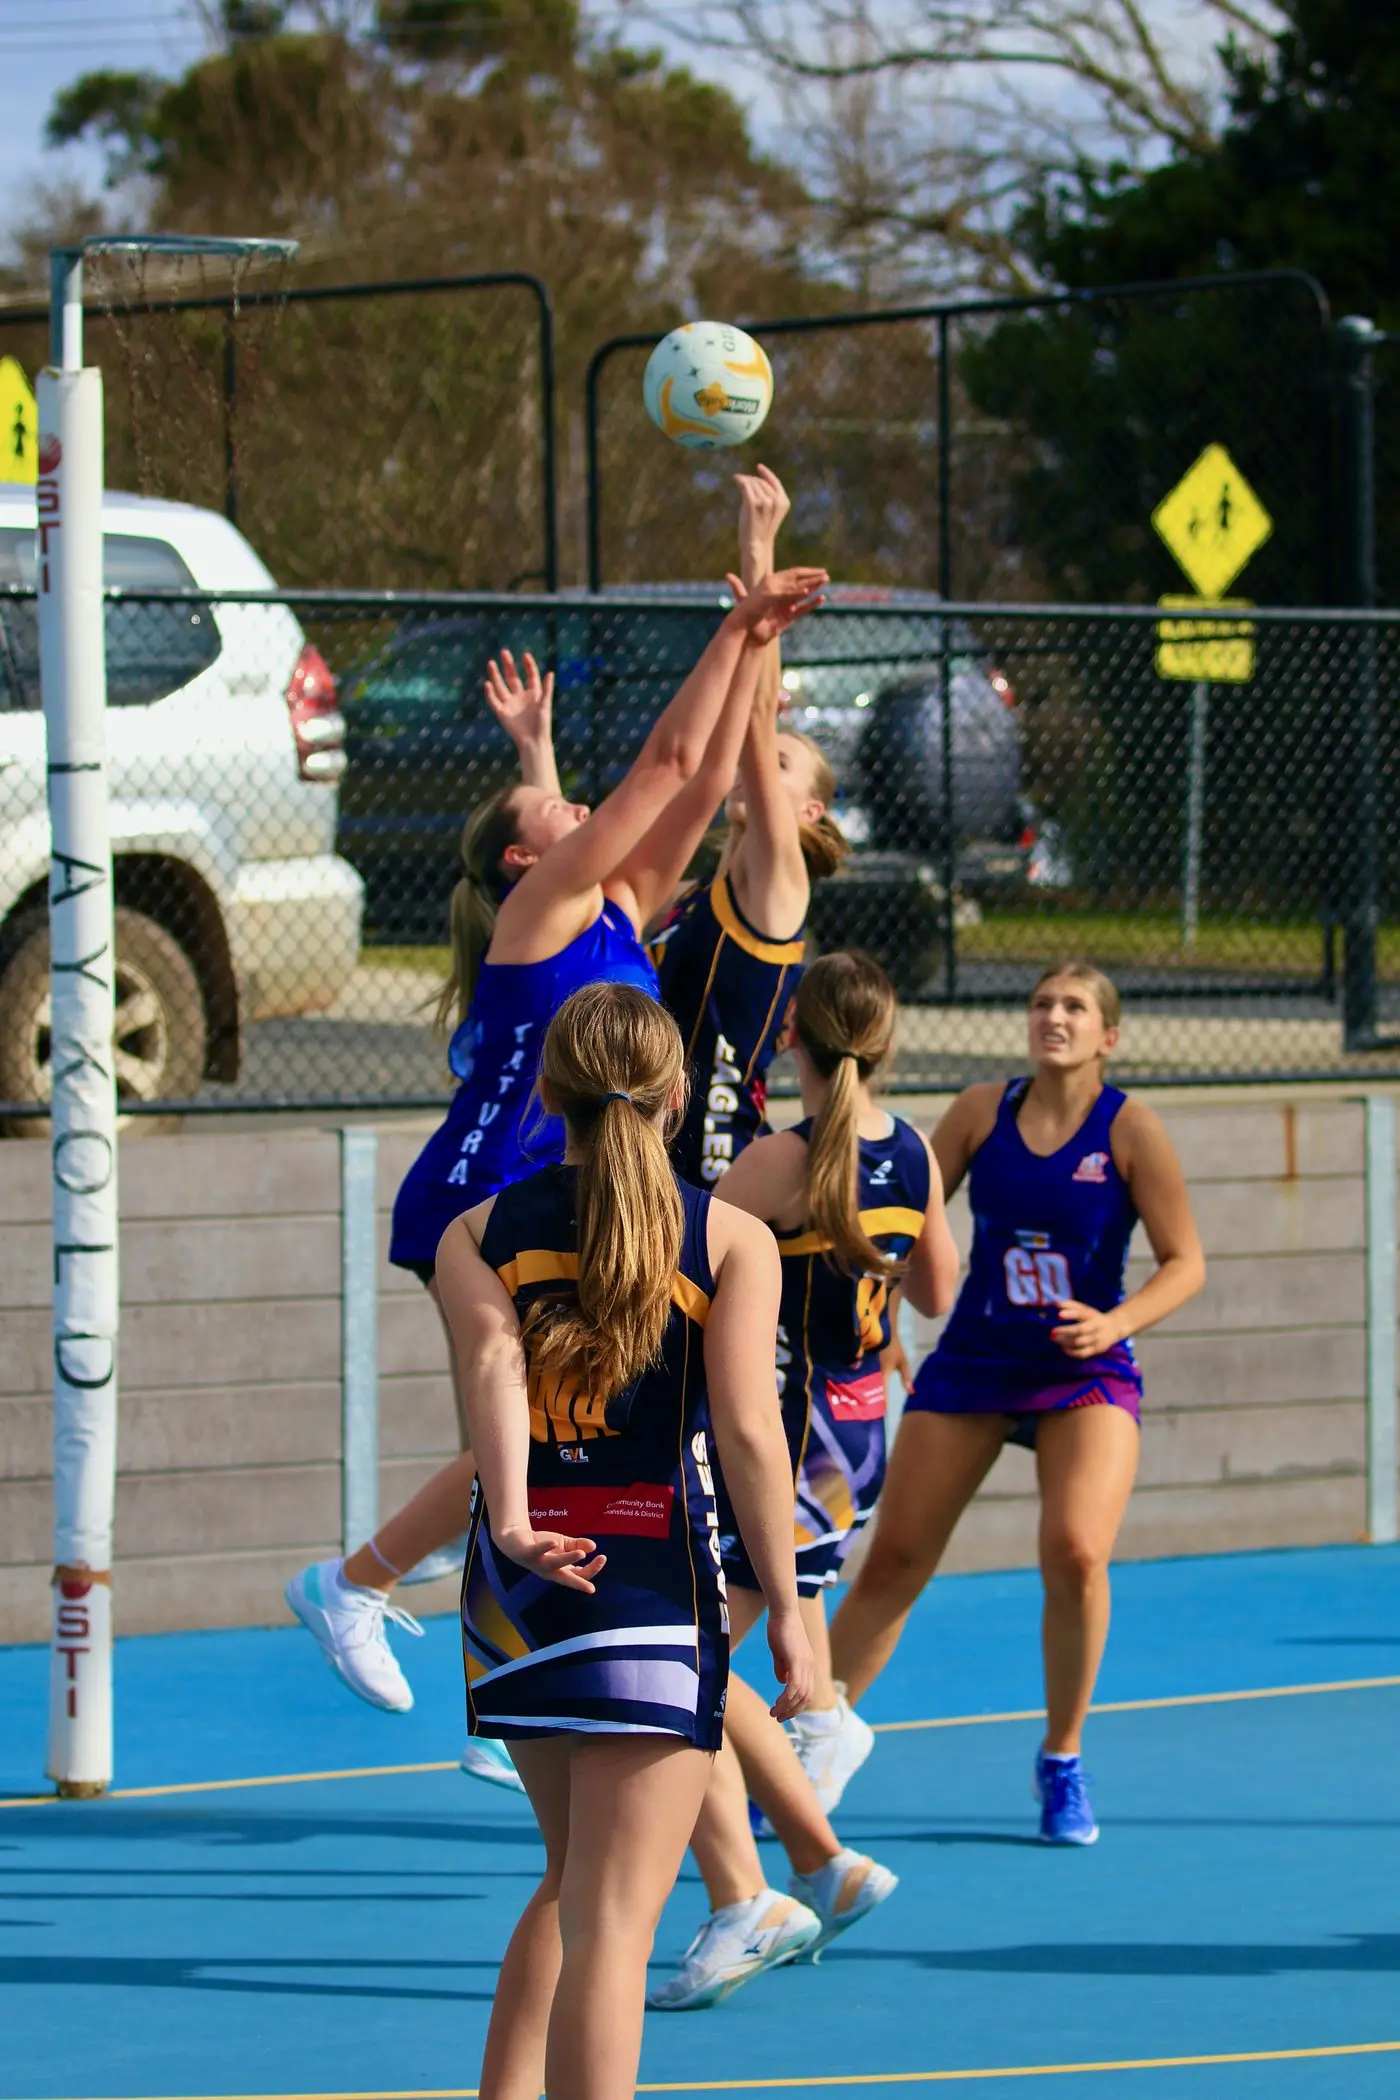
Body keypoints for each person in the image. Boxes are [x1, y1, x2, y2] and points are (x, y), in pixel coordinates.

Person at [285, 563, 828, 1748]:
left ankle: (454, 1623)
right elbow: (666, 773)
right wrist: (728, 621)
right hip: (485, 1200)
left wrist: (751, 656)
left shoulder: (610, 911)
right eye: (560, 813)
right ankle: (369, 1585)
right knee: (531, 1435)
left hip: (567, 1192)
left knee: (562, 1436)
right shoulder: (539, 925)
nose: (585, 811)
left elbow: (690, 794)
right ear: (529, 866)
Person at [435, 981, 813, 2100]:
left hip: (517, 1594)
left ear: (546, 1095)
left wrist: (512, 1520)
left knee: (567, 1883)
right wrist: (787, 1607)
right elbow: (748, 1431)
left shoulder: (476, 1235)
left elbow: (493, 1376)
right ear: (677, 1092)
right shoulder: (729, 1237)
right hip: (651, 1584)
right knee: (613, 1919)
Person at [828, 961, 1206, 1844]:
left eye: (1074, 1007)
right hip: (978, 1357)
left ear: (1108, 1035)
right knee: (895, 1559)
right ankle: (805, 1743)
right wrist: (879, 1316)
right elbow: (899, 1215)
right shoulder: (978, 1112)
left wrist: (1115, 1323)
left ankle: (1063, 1758)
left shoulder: (1132, 1132)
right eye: (1042, 1004)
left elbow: (1187, 1261)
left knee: (1075, 1551)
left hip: (1084, 1370)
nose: (1054, 1018)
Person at [646, 950, 959, 2010]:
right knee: (704, 1654)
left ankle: (767, 1871)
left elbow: (690, 1271)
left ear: (793, 1040)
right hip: (860, 1428)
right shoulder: (909, 1150)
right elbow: (936, 1283)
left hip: (780, 1436)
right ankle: (820, 1859)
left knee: (678, 1662)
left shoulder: (775, 1162)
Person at [649, 464, 848, 1188]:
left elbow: (759, 718)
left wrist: (758, 555)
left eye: (781, 767)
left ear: (809, 811)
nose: (755, 769)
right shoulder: (698, 892)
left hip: (721, 1171)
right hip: (654, 1161)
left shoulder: (778, 890)